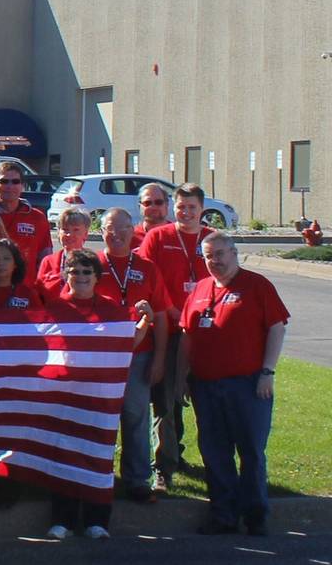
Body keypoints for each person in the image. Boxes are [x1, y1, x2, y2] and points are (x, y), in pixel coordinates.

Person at [180, 233, 289, 536]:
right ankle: (223, 515)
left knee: (251, 450)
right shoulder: (201, 289)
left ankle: (255, 515)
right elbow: (187, 336)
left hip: (248, 385)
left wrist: (268, 371)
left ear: (234, 252)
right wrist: (182, 378)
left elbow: (277, 328)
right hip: (206, 385)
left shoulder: (257, 285)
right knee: (215, 452)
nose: (214, 261)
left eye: (219, 254)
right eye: (208, 256)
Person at [48, 249, 151, 540]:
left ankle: (97, 520)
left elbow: (127, 341)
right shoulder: (54, 308)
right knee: (65, 454)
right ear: (66, 275)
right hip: (65, 391)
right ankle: (64, 520)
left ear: (96, 277)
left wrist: (146, 320)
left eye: (86, 272)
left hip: (100, 394)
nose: (80, 277)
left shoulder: (110, 308)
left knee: (99, 455)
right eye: (74, 272)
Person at [138, 183, 216, 486]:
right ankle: (164, 468)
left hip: (205, 334)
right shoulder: (159, 237)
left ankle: (216, 467)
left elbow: (222, 282)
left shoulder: (212, 239)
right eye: (181, 207)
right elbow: (148, 279)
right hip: (169, 332)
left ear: (202, 209)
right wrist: (172, 311)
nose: (186, 213)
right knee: (165, 404)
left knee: (208, 404)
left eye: (192, 207)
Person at [93, 208, 171, 502]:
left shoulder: (147, 268)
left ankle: (137, 480)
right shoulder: (91, 265)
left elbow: (160, 316)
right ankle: (98, 477)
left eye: (123, 228)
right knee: (100, 419)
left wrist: (160, 359)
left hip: (139, 356)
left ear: (133, 230)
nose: (117, 235)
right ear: (101, 232)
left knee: (136, 418)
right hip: (102, 358)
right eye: (110, 229)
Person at [0, 160, 51, 281]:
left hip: (26, 288)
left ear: (22, 186)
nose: (10, 186)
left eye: (15, 181)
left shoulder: (37, 217)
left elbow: (45, 259)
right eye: (4, 181)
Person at [36, 208, 92, 293]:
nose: (69, 234)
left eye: (76, 229)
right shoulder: (48, 261)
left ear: (85, 234)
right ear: (58, 233)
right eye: (65, 229)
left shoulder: (92, 261)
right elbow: (39, 292)